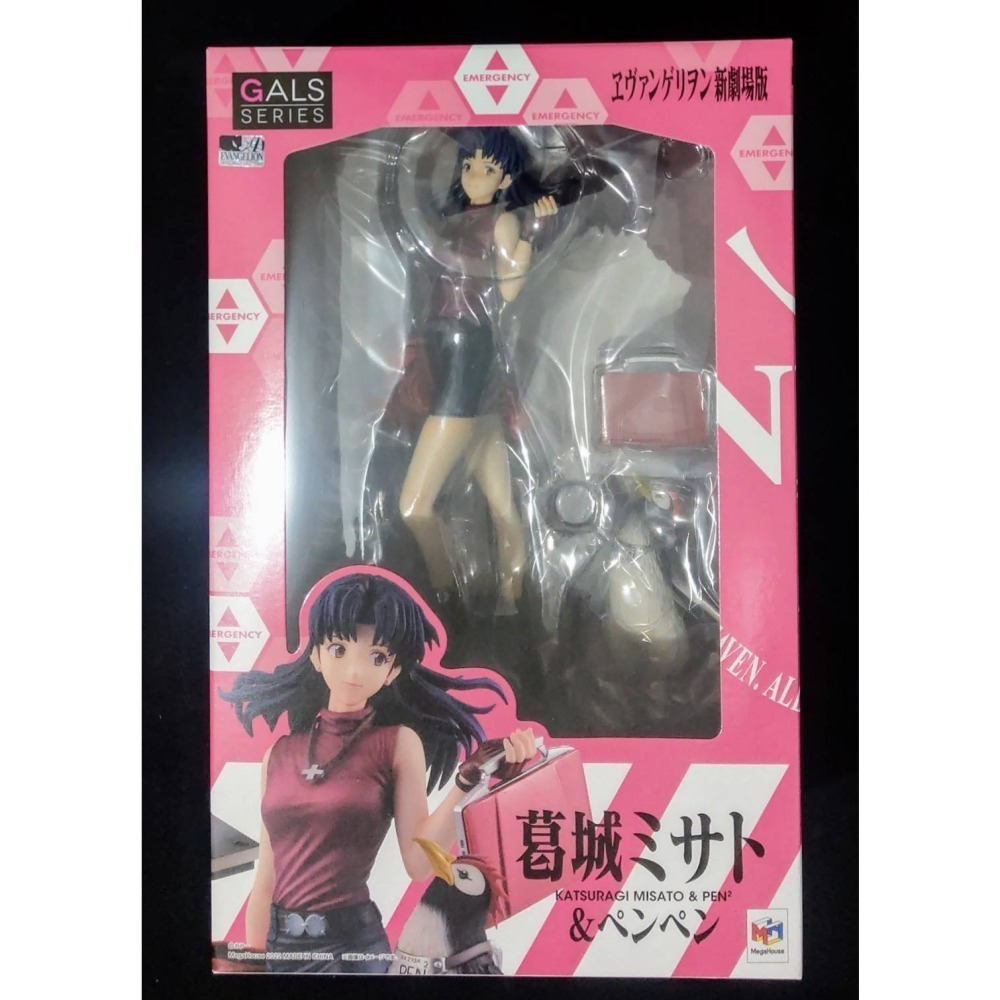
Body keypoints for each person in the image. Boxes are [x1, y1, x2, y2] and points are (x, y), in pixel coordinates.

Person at [221, 569, 536, 973]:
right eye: (338, 649)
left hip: (353, 950)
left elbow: (419, 862)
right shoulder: (279, 754)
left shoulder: (396, 744)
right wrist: (255, 964)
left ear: (392, 671)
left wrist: (467, 781)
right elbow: (266, 879)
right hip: (282, 947)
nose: (355, 671)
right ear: (315, 655)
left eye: (377, 657)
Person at [397, 128, 558, 612]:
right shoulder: (453, 220)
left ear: (506, 178)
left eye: (487, 169)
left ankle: (444, 599)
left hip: (468, 351)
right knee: (502, 503)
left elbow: (508, 291)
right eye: (469, 165)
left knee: (413, 507)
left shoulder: (502, 222)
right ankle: (511, 604)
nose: (473, 176)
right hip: (447, 350)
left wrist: (530, 238)